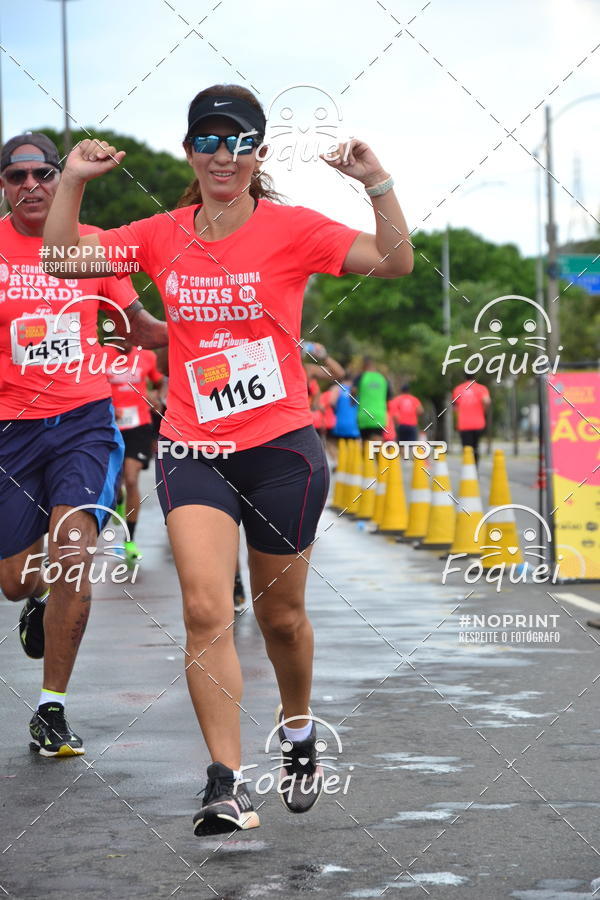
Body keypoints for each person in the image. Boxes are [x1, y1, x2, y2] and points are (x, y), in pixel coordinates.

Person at [43, 83, 413, 834]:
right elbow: (60, 255)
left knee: (281, 619)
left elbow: (396, 262)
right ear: (189, 152)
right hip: (193, 448)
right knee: (207, 608)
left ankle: (300, 728)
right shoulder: (160, 233)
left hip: (281, 450)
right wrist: (73, 181)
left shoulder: (294, 230)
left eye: (238, 141)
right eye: (208, 141)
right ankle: (226, 783)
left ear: (258, 154)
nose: (223, 154)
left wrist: (377, 183)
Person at [0, 132, 166, 757]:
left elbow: (138, 328)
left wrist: (212, 324)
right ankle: (34, 601)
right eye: (17, 177)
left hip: (83, 421)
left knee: (73, 551)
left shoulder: (91, 247)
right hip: (9, 429)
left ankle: (52, 708)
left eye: (44, 173)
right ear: (3, 186)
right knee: (15, 582)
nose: (32, 186)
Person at [105, 339, 164, 565]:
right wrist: (109, 407)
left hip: (139, 425)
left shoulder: (147, 356)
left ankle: (130, 540)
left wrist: (156, 396)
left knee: (131, 479)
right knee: (116, 482)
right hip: (111, 425)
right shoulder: (102, 356)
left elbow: (160, 383)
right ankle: (118, 500)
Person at [451, 377, 491, 466]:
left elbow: (454, 407)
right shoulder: (481, 388)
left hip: (464, 424)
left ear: (464, 377)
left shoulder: (458, 389)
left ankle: (468, 469)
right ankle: (475, 467)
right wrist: (484, 410)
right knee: (475, 446)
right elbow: (487, 401)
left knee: (466, 448)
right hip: (478, 423)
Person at [353, 357, 392, 440]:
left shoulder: (360, 377)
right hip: (379, 416)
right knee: (376, 446)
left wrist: (353, 402)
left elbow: (353, 392)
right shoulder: (383, 378)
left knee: (365, 446)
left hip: (364, 416)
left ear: (363, 366)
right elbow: (389, 398)